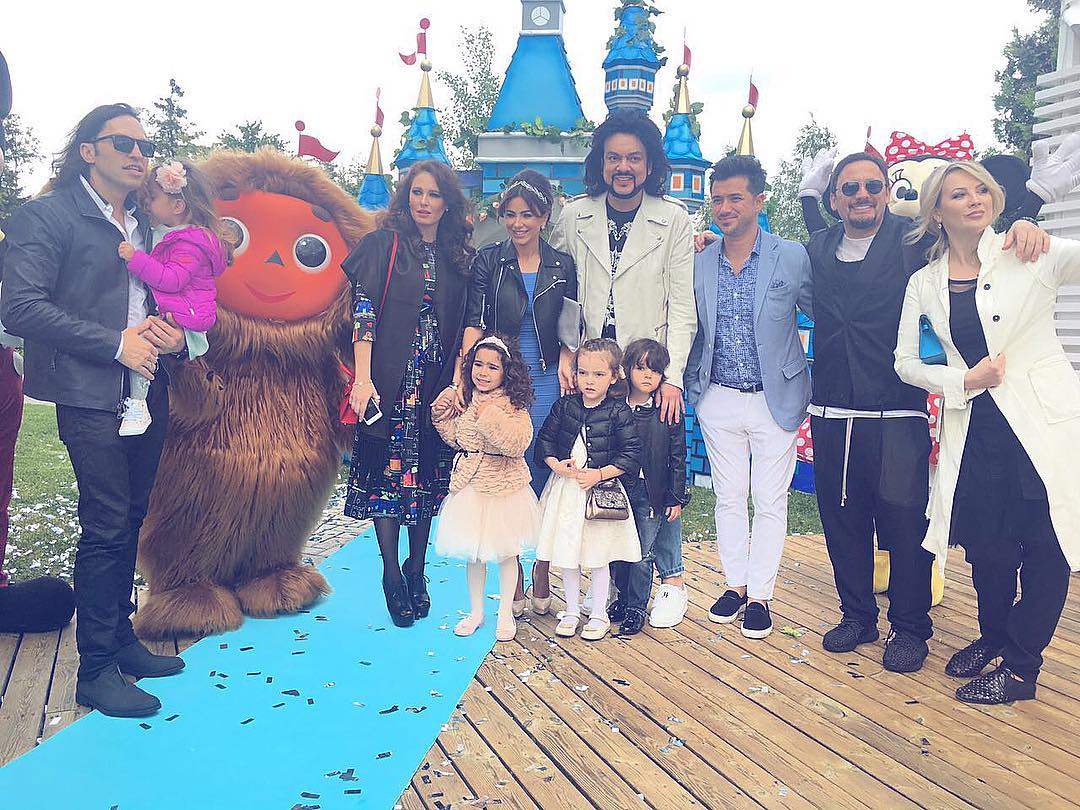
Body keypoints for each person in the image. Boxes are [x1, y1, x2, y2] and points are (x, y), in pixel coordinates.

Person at [804, 151, 1049, 673]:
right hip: (832, 407)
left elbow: (970, 231)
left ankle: (910, 627)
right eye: (850, 188)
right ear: (834, 200)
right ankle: (857, 615)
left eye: (873, 186)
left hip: (896, 408)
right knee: (842, 519)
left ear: (887, 193)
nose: (863, 195)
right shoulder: (818, 247)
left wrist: (1026, 216)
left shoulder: (912, 241)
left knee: (905, 522)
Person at [1, 104, 188, 717]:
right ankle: (96, 670)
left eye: (145, 145)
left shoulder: (145, 223)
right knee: (106, 526)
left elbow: (170, 292)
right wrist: (115, 344)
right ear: (88, 151)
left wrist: (175, 334)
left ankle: (121, 639)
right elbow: (19, 308)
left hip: (148, 388)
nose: (139, 155)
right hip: (89, 393)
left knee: (131, 518)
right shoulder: (48, 216)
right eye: (123, 143)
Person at [895, 160, 1080, 705]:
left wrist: (1036, 229)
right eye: (958, 194)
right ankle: (994, 637)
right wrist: (963, 380)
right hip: (976, 427)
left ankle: (1021, 667)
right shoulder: (924, 283)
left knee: (1047, 546)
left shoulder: (1028, 251)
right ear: (936, 211)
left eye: (982, 189)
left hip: (1040, 425)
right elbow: (906, 362)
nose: (974, 199)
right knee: (988, 548)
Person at [544, 109, 695, 612]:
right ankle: (608, 577)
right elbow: (561, 288)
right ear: (601, 163)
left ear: (650, 164)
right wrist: (567, 350)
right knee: (600, 465)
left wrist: (672, 378)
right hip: (593, 367)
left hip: (647, 370)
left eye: (634, 158)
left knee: (654, 470)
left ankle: (670, 581)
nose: (623, 167)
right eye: (613, 158)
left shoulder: (673, 220)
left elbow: (682, 307)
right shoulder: (575, 215)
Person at [685, 156, 814, 641]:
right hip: (717, 395)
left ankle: (761, 596)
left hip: (775, 397)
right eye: (717, 199)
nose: (725, 208)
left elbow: (824, 312)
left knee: (770, 499)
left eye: (735, 198)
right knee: (729, 496)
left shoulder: (792, 256)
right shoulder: (699, 259)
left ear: (759, 200)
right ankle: (735, 585)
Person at [342, 159, 473, 628]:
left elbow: (469, 322)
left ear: (447, 202)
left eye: (434, 194)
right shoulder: (382, 245)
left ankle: (417, 569)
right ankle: (391, 575)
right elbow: (363, 313)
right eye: (417, 192)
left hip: (435, 384)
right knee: (388, 477)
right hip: (388, 381)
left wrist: (458, 380)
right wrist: (362, 379)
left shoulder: (458, 256)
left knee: (427, 477)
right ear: (405, 196)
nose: (424, 202)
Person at [459, 169, 578, 616]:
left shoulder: (561, 264)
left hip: (546, 379)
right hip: (503, 379)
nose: (518, 223)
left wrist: (568, 356)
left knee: (545, 468)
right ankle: (517, 572)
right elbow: (474, 320)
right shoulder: (490, 261)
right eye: (510, 214)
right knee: (506, 471)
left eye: (527, 214)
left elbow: (571, 320)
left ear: (544, 217)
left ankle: (543, 566)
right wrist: (465, 374)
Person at [432, 334, 539, 643]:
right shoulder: (467, 400)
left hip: (504, 487)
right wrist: (442, 416)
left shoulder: (513, 405)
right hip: (471, 486)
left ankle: (505, 612)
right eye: (478, 365)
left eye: (493, 367)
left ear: (507, 372)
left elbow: (517, 443)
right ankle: (476, 611)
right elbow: (458, 438)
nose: (483, 372)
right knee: (474, 555)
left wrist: (489, 416)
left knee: (506, 553)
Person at [534, 338, 642, 642]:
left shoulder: (619, 411)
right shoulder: (564, 406)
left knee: (598, 554)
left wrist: (600, 474)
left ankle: (598, 614)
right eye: (583, 373)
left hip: (600, 494)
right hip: (566, 492)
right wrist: (556, 465)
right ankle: (570, 610)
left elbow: (631, 453)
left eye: (598, 374)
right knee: (567, 552)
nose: (589, 380)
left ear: (613, 376)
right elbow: (544, 442)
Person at [116, 159, 229, 436]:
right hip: (179, 309)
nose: (146, 204)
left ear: (177, 206)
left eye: (152, 198)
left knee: (142, 348)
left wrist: (135, 258)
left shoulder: (190, 243)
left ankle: (138, 405)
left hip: (183, 313)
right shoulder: (170, 232)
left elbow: (171, 279)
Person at [611, 338, 690, 635]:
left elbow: (677, 456)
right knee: (619, 549)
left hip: (651, 492)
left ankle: (636, 608)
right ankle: (621, 598)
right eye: (641, 368)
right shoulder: (616, 406)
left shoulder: (665, 410)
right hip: (620, 489)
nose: (647, 376)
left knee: (642, 552)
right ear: (627, 369)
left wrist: (675, 497)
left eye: (655, 371)